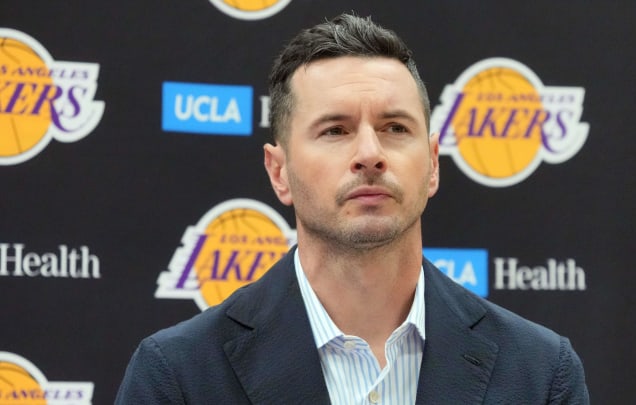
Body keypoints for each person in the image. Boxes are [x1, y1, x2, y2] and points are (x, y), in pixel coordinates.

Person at [115, 13, 589, 404]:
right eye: (335, 130)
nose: (369, 152)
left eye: (395, 128)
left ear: (432, 166)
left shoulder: (540, 373)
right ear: (279, 171)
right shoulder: (178, 376)